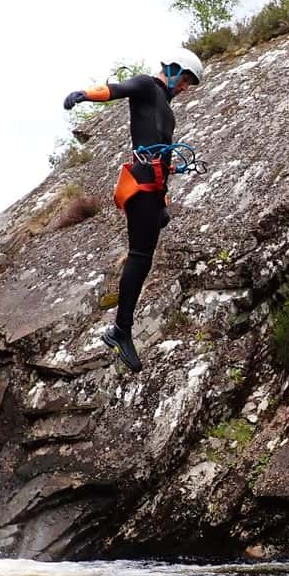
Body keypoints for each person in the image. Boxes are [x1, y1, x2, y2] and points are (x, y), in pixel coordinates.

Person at [64, 48, 204, 372]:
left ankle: (121, 329)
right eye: (184, 80)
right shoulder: (145, 85)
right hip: (140, 185)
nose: (184, 87)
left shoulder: (166, 108)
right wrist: (83, 95)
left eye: (188, 84)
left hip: (155, 190)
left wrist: (165, 195)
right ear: (172, 69)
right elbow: (115, 90)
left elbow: (163, 153)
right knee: (140, 257)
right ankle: (120, 331)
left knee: (151, 240)